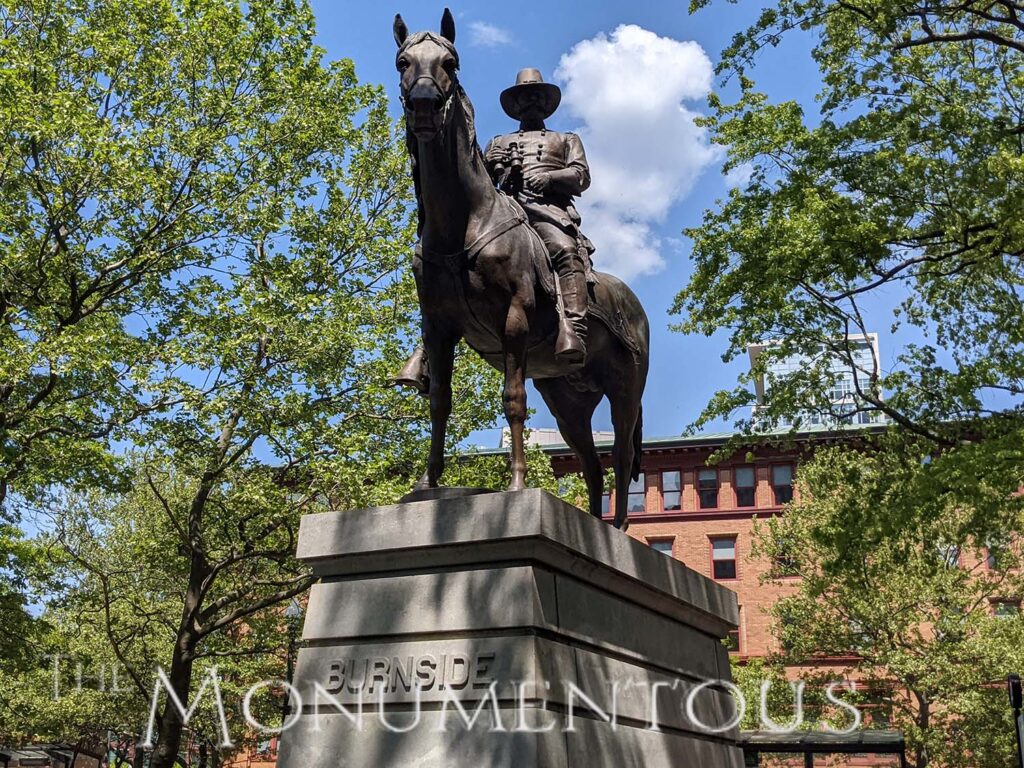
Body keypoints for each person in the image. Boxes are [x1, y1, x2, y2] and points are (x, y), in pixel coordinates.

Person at [395, 68, 595, 394]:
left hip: (546, 211)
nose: (530, 101)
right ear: (515, 105)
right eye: (523, 96)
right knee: (448, 266)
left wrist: (550, 179)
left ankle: (572, 327)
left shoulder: (565, 139)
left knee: (564, 249)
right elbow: (479, 183)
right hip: (505, 212)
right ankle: (429, 348)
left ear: (546, 103)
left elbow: (581, 175)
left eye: (536, 96)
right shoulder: (499, 142)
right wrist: (495, 167)